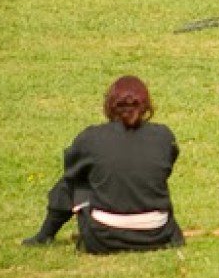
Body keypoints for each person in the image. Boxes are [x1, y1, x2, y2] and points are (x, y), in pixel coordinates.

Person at [24, 76, 183, 254]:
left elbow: (71, 171)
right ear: (146, 106)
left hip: (104, 238)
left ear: (109, 105)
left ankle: (45, 235)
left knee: (74, 181)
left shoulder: (91, 138)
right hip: (158, 234)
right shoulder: (164, 136)